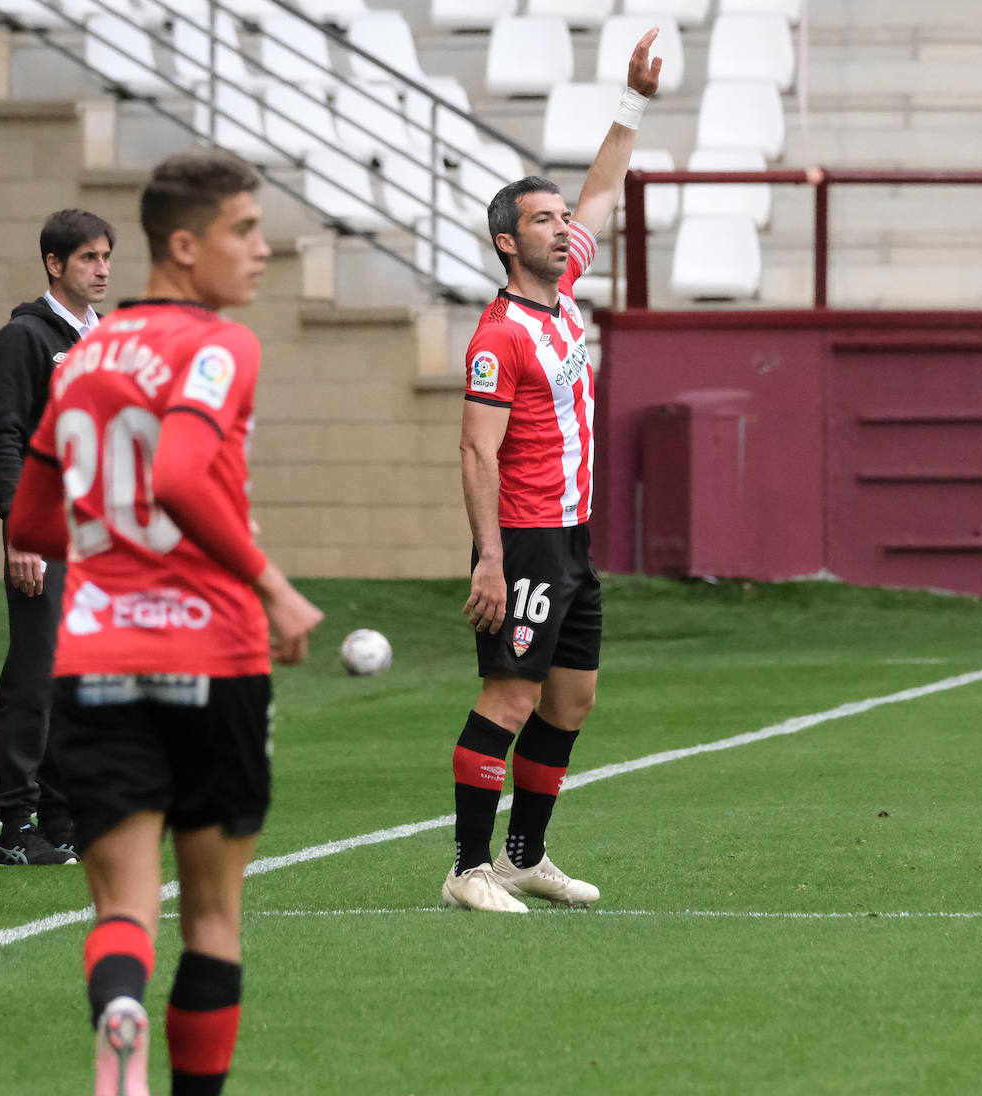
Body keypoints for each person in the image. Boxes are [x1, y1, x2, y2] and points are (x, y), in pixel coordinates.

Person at [7, 150, 323, 1096]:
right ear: (183, 247)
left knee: (123, 906)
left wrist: (106, 545)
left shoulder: (85, 353)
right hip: (212, 652)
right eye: (244, 231)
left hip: (97, 654)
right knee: (214, 919)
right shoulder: (220, 344)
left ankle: (118, 1013)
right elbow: (181, 474)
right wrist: (271, 585)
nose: (264, 251)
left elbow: (30, 520)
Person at [442, 29, 662, 913]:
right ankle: (467, 868)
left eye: (558, 217)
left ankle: (527, 855)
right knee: (509, 695)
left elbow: (603, 189)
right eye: (542, 219)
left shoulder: (563, 290)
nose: (562, 225)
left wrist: (634, 99)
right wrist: (489, 556)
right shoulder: (499, 337)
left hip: (570, 537)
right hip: (524, 540)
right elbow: (473, 449)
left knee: (571, 702)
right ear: (506, 242)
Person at [0, 208, 115, 866]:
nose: (102, 269)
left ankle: (62, 819)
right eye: (88, 258)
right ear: (54, 265)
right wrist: (18, 532)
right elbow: (4, 440)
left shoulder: (106, 339)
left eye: (106, 257)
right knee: (36, 674)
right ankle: (16, 824)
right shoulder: (25, 340)